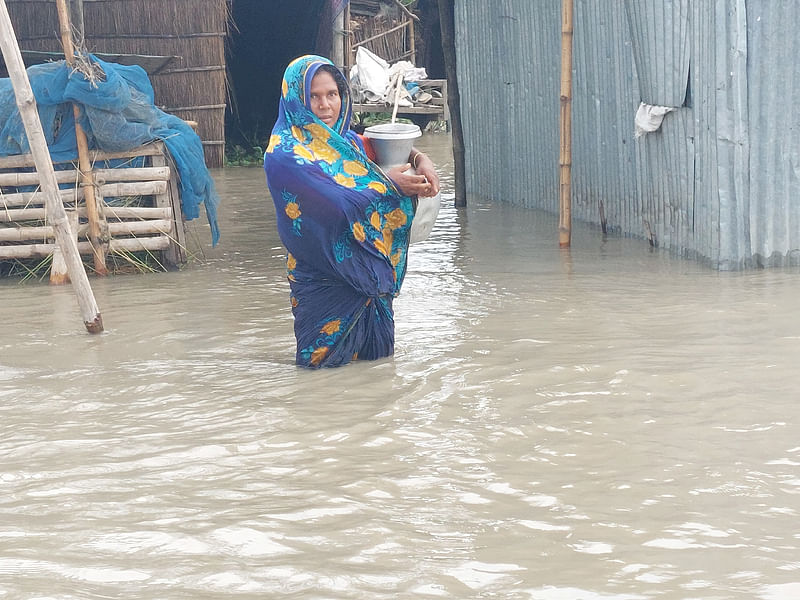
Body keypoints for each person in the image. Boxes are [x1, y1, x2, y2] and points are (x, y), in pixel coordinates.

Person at [263, 55, 439, 368]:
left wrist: (419, 159)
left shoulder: (345, 142)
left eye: (332, 94)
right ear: (296, 99)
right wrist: (388, 184)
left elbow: (383, 150)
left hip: (369, 276)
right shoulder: (285, 154)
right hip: (323, 278)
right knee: (320, 374)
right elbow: (337, 203)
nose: (325, 105)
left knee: (380, 370)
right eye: (313, 97)